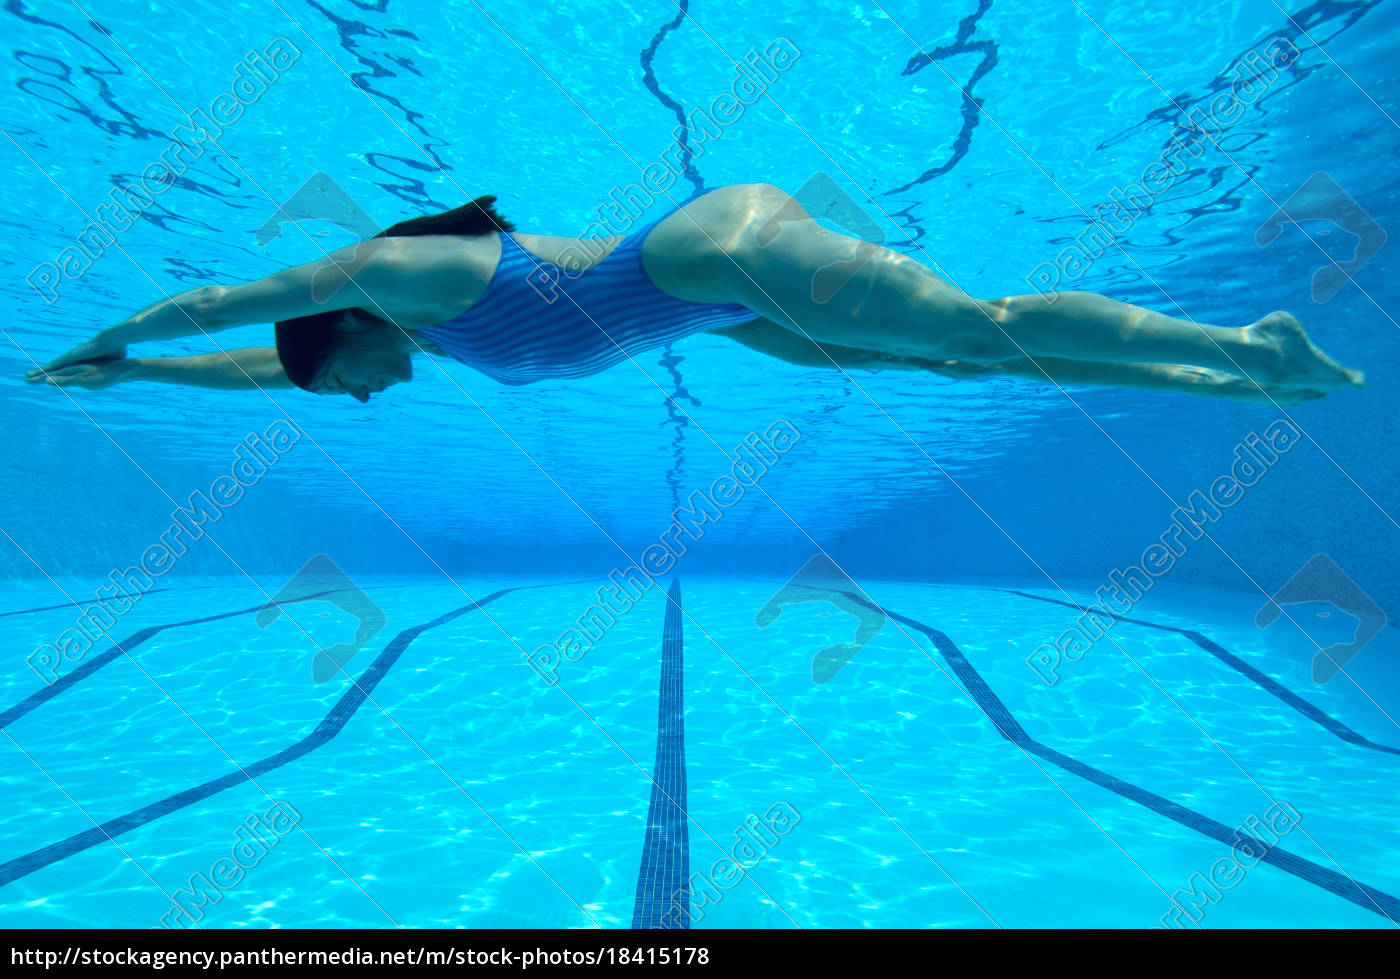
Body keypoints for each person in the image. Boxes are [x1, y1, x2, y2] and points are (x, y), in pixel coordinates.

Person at [26, 183, 1363, 406]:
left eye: (345, 384)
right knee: (960, 367)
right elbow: (271, 362)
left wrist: (113, 328)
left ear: (355, 333)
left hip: (717, 250)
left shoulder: (393, 274)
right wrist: (131, 381)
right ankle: (1230, 369)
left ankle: (1250, 338)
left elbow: (236, 304)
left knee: (977, 326)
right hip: (726, 318)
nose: (359, 403)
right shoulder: (388, 344)